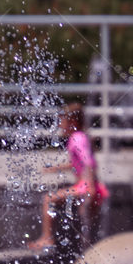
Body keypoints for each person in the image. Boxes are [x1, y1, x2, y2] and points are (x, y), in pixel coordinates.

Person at [28, 103, 109, 251]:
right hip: (91, 185)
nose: (60, 125)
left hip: (85, 186)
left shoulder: (76, 138)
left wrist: (89, 187)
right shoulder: (81, 137)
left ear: (72, 122)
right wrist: (55, 168)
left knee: (48, 199)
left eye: (62, 121)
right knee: (88, 225)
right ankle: (91, 251)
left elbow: (88, 163)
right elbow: (76, 163)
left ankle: (47, 238)